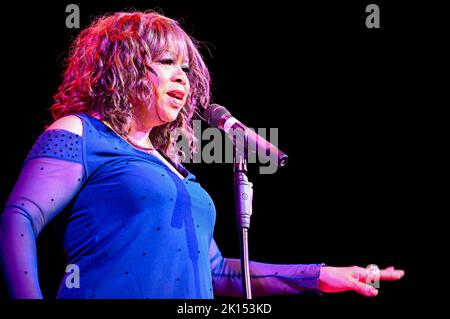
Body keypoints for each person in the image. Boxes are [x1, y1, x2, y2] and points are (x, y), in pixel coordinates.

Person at [0, 11, 404, 299]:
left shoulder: (175, 170)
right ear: (123, 68)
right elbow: (19, 216)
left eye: (186, 68)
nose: (182, 76)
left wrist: (320, 275)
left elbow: (218, 271)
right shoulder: (82, 132)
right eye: (166, 62)